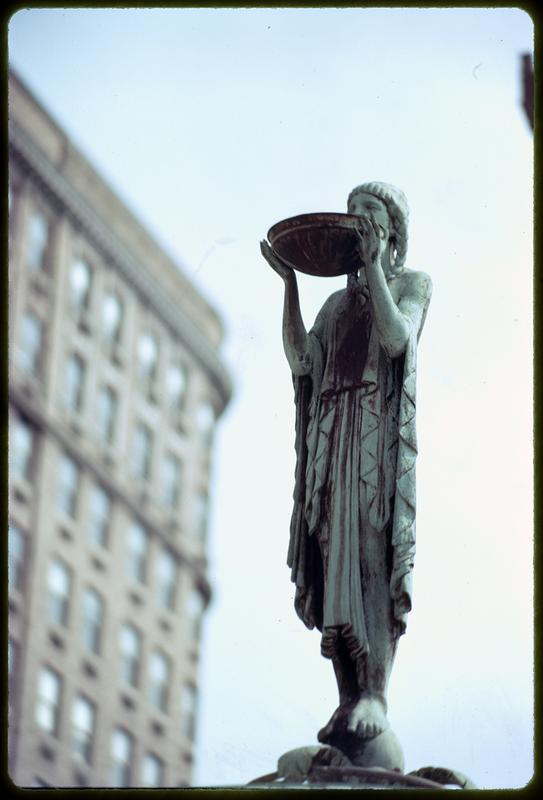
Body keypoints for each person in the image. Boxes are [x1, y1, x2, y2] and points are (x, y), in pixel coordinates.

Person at [260, 182, 432, 758]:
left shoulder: (411, 284)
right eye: (352, 213)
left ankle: (375, 696)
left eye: (370, 215)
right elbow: (303, 361)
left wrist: (375, 267)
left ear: (391, 232)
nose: (356, 221)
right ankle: (345, 694)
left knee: (369, 556)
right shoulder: (333, 306)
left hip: (373, 442)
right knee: (331, 558)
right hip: (332, 434)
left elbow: (395, 337)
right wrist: (290, 287)